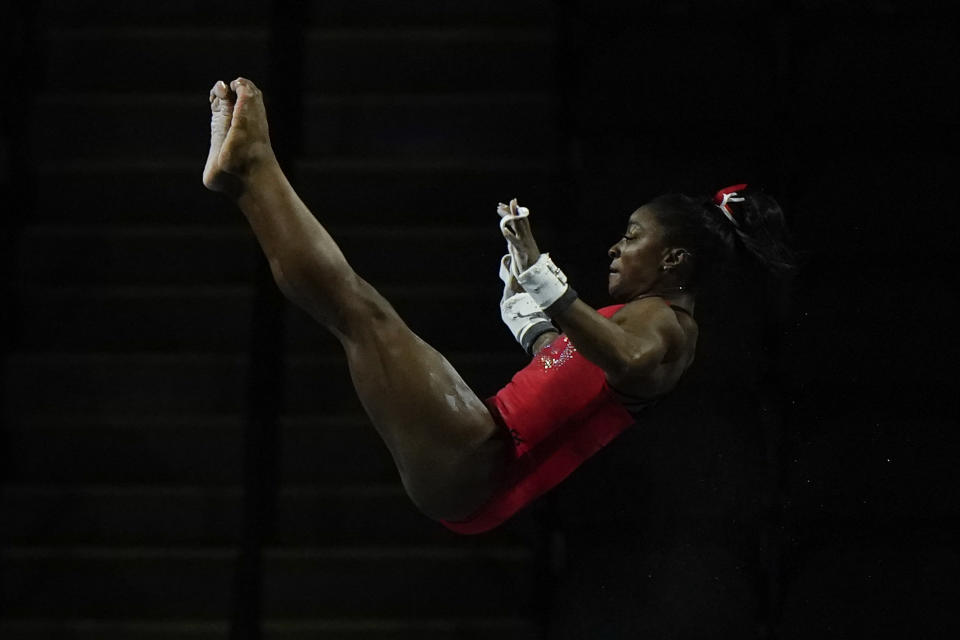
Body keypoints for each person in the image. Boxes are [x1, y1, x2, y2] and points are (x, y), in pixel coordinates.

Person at [203, 77, 794, 534]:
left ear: (674, 260)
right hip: (478, 453)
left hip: (479, 459)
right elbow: (576, 367)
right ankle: (243, 180)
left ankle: (253, 169)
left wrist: (545, 280)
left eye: (634, 235)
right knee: (354, 315)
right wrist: (530, 323)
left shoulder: (670, 329)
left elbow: (628, 361)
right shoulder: (638, 319)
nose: (617, 246)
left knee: (360, 310)